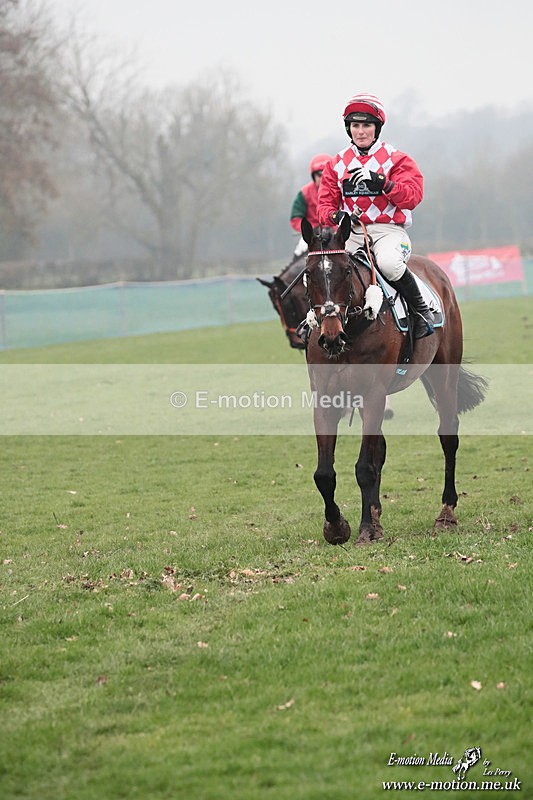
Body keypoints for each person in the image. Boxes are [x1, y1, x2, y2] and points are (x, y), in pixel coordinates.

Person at [318, 92, 434, 338]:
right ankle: (314, 324)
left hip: (388, 231)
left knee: (389, 265)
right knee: (324, 268)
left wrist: (384, 184)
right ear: (349, 129)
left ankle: (422, 311)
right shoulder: (336, 163)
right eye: (355, 125)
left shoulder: (397, 160)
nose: (360, 131)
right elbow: (324, 206)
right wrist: (336, 217)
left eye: (366, 125)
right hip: (352, 233)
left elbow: (413, 196)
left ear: (377, 128)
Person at [290, 153, 332, 259]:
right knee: (300, 250)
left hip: (335, 232)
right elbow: (296, 218)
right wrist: (310, 229)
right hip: (312, 235)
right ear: (313, 176)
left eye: (325, 174)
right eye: (319, 174)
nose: (322, 178)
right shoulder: (304, 193)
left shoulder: (339, 190)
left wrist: (335, 228)